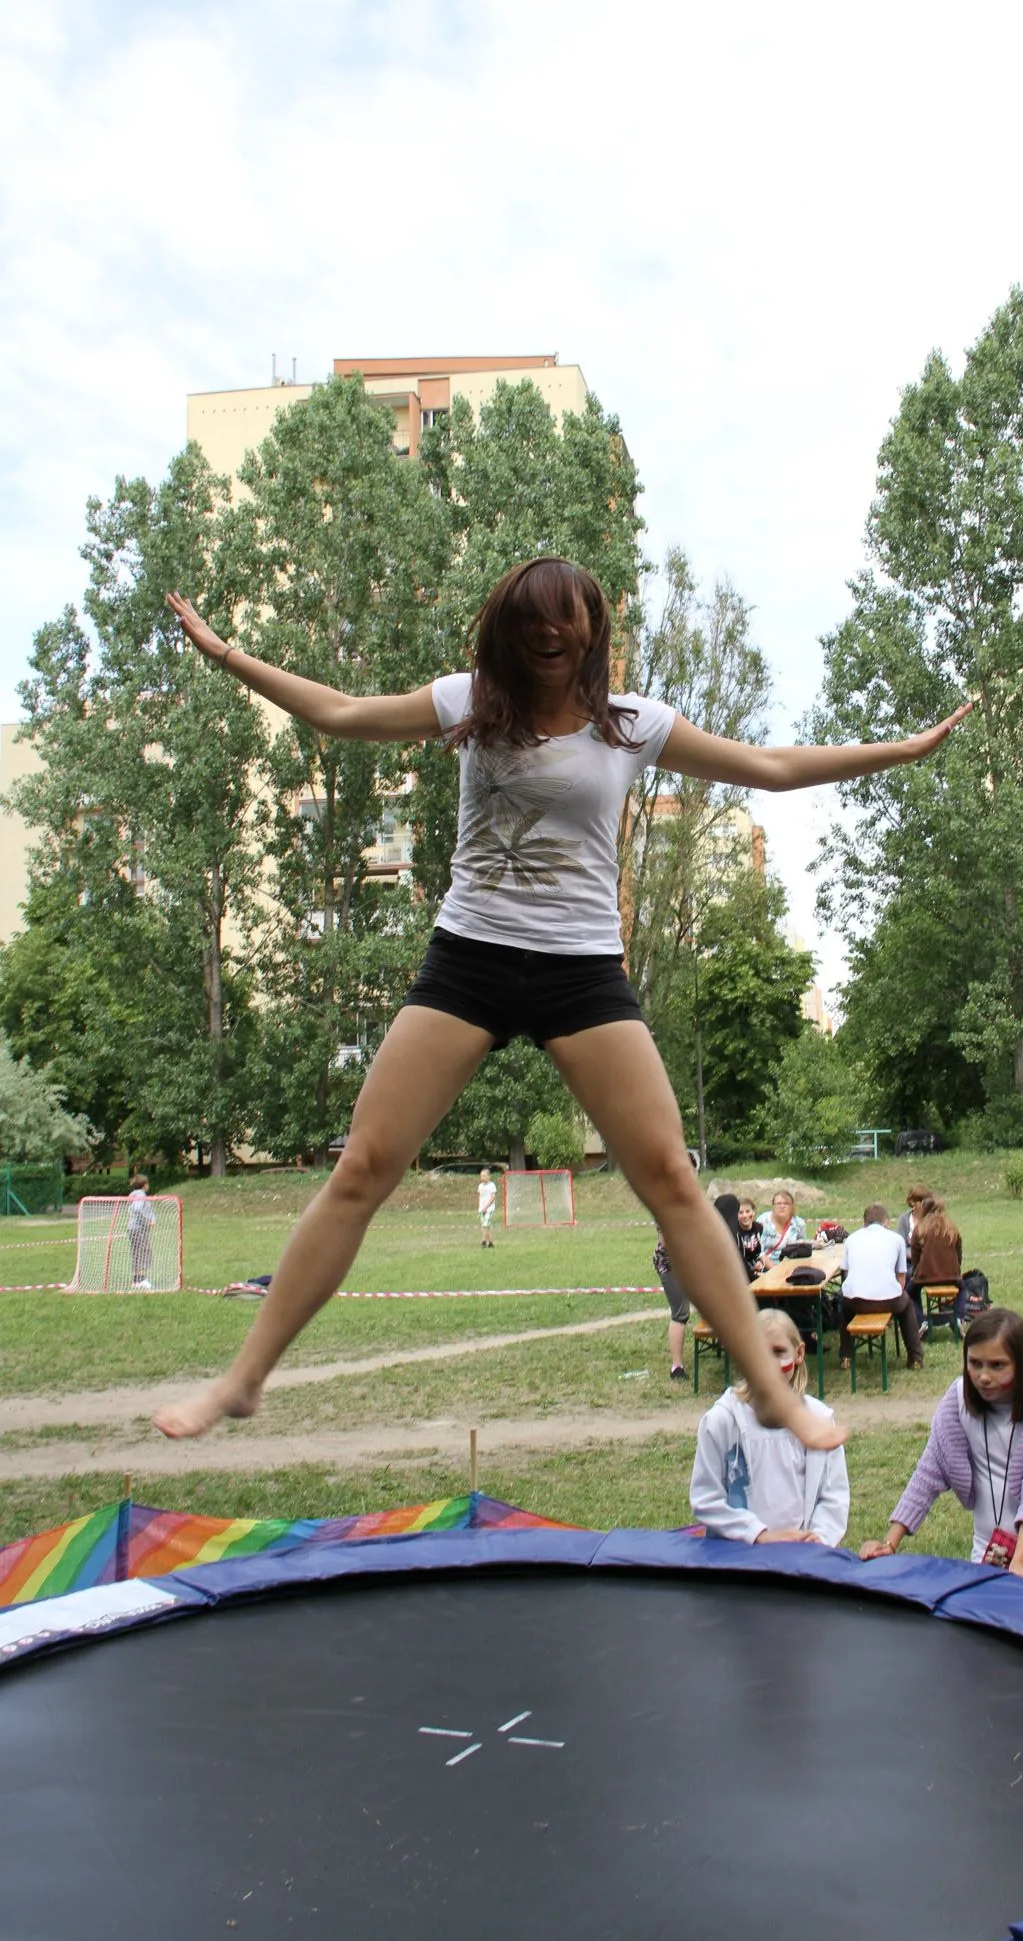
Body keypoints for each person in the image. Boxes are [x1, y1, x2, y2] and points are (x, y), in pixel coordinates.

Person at [153, 559, 973, 1447]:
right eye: (533, 621)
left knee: (668, 1177)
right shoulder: (469, 702)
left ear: (591, 632)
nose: (550, 635)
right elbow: (341, 714)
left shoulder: (631, 727)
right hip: (469, 957)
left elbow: (769, 767)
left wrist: (903, 749)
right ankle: (242, 1379)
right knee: (363, 1167)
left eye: (568, 621)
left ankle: (769, 1391)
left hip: (580, 969)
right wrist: (229, 655)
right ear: (508, 629)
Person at [859, 1308, 1023, 1588]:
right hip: (987, 1548)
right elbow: (928, 1473)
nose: (983, 1377)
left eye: (997, 1365)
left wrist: (1021, 1564)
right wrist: (889, 1543)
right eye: (975, 1363)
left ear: (1021, 1364)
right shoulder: (957, 1400)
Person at [690, 1309, 849, 1544]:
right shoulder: (721, 1422)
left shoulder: (818, 1421)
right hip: (738, 1558)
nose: (768, 1365)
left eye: (778, 1352)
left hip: (801, 1558)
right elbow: (706, 1498)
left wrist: (819, 1537)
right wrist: (758, 1535)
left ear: (799, 1353)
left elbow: (833, 1494)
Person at [838, 1202, 920, 1371]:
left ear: (864, 1223)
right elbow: (902, 1277)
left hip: (856, 1302)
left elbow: (845, 1273)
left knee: (843, 1308)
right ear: (886, 1222)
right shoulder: (897, 1239)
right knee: (908, 1306)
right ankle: (915, 1357)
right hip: (889, 1301)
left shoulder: (851, 1239)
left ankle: (845, 1355)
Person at [908, 1192, 963, 1336]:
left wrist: (917, 1273)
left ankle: (922, 1322)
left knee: (909, 1292)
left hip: (925, 1275)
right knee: (964, 1290)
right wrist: (956, 1270)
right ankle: (958, 1318)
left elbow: (915, 1256)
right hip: (952, 1275)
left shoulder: (919, 1229)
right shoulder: (952, 1227)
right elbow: (959, 1253)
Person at [653, 1230, 690, 1381]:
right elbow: (665, 1240)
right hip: (669, 1265)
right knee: (680, 1312)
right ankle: (676, 1367)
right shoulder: (667, 1208)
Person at [759, 1189, 806, 1268]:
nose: (782, 1206)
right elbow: (759, 1252)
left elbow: (801, 1247)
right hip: (766, 1267)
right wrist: (774, 1269)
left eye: (786, 1204)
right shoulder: (763, 1221)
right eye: (778, 1203)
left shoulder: (799, 1223)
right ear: (773, 1206)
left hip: (790, 1266)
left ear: (792, 1207)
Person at [127, 1173, 155, 1291]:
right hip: (139, 1229)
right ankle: (141, 1279)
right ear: (144, 1185)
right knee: (143, 1252)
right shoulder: (141, 1195)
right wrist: (148, 1221)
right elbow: (138, 1209)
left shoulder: (135, 1195)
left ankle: (136, 1280)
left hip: (133, 1228)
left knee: (137, 1253)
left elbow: (132, 1209)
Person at [735, 1198, 766, 1282]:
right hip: (742, 1273)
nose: (745, 1215)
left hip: (756, 1268)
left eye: (747, 1211)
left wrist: (760, 1262)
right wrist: (753, 1273)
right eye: (740, 1213)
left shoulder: (759, 1228)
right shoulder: (734, 1232)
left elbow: (761, 1252)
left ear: (753, 1212)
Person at [895, 1184, 928, 1250]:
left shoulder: (932, 1218)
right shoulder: (904, 1219)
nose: (925, 1204)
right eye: (921, 1201)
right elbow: (901, 1246)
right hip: (910, 1259)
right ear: (912, 1202)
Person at [476, 1167, 497, 1248]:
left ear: (489, 1176)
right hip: (482, 1209)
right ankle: (491, 1243)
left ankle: (483, 1241)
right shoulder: (480, 1186)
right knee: (486, 1226)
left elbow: (493, 1197)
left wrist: (486, 1207)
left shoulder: (492, 1185)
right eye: (481, 1176)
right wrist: (481, 1207)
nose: (482, 1178)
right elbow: (479, 1196)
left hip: (489, 1209)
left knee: (485, 1225)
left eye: (484, 1176)